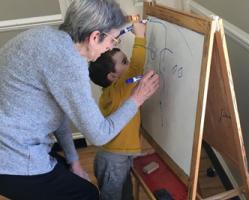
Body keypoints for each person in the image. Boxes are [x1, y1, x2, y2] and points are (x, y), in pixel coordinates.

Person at [0, 0, 159, 199]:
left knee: (78, 183)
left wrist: (74, 161)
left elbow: (58, 114)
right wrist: (137, 98)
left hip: (12, 147)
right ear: (94, 37)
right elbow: (99, 135)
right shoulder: (68, 62)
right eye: (113, 40)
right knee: (89, 195)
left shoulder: (43, 36)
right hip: (12, 160)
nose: (110, 47)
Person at [89, 22, 146, 200]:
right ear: (113, 77)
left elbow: (133, 72)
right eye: (124, 62)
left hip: (116, 156)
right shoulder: (118, 90)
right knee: (112, 197)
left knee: (124, 193)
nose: (129, 63)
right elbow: (136, 67)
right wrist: (140, 37)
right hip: (114, 160)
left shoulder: (111, 92)